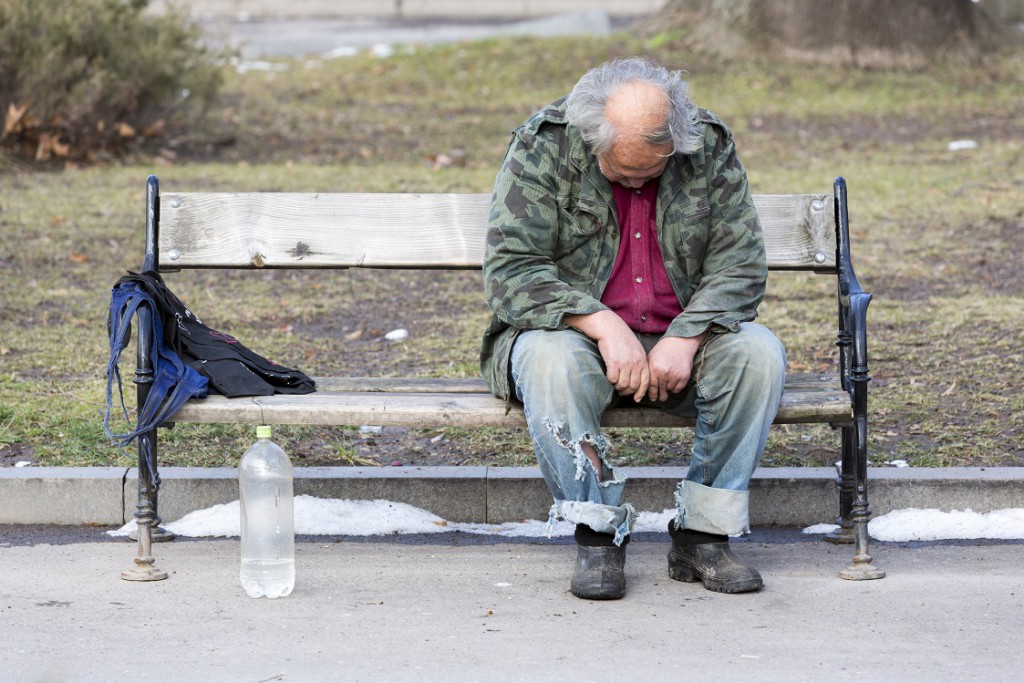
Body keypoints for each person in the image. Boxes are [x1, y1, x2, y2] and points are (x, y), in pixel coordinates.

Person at [480, 57, 787, 600]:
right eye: (623, 173)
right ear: (591, 138)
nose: (641, 180)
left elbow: (739, 264)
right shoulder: (544, 145)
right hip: (573, 337)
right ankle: (597, 536)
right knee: (549, 361)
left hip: (683, 341)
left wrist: (687, 335)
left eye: (654, 169)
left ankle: (703, 537)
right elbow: (511, 272)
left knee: (758, 354)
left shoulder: (705, 143)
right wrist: (601, 324)